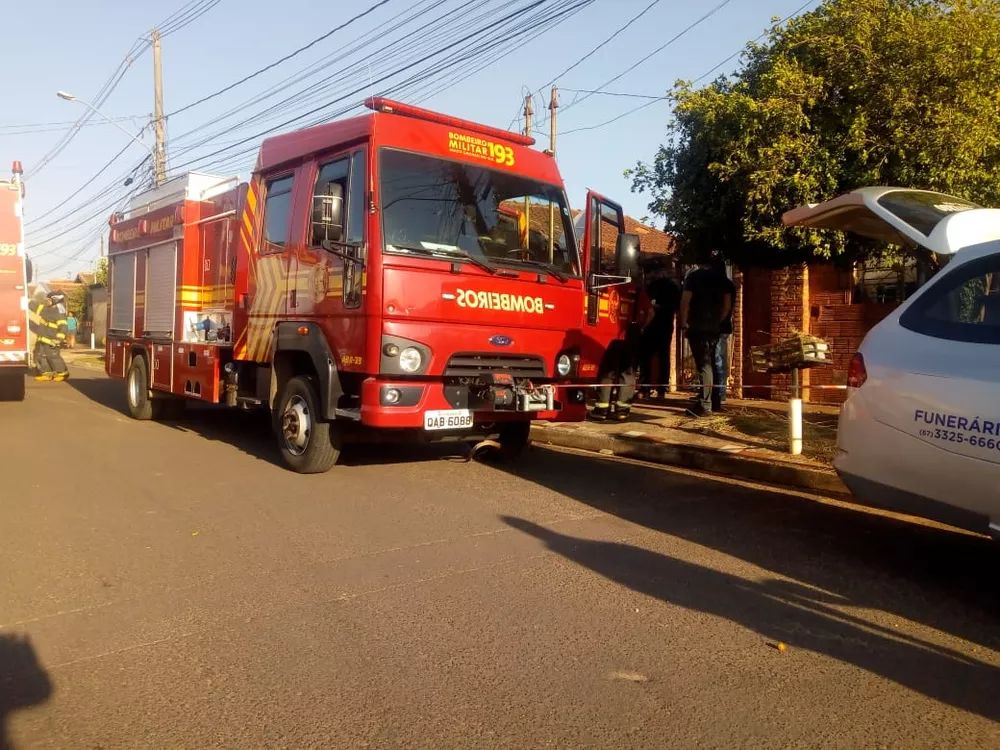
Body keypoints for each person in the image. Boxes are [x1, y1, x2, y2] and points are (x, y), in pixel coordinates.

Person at [679, 252, 734, 417]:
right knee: (712, 364)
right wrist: (717, 322)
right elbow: (727, 305)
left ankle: (705, 404)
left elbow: (685, 301)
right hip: (714, 328)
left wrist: (684, 323)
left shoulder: (694, 277)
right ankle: (713, 400)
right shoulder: (724, 281)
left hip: (697, 326)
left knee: (704, 365)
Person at [592, 280, 654, 422]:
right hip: (632, 335)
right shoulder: (638, 291)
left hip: (610, 336)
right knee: (628, 373)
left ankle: (602, 409)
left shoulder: (608, 286)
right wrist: (642, 326)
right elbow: (651, 312)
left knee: (607, 371)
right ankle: (622, 411)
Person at [639, 258, 680, 400]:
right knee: (658, 356)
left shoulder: (664, 286)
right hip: (661, 324)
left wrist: (658, 307)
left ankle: (651, 388)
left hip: (658, 324)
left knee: (652, 356)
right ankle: (654, 388)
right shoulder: (655, 286)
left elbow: (674, 306)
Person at [29, 291, 70, 382]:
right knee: (41, 356)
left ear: (55, 300)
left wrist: (58, 339)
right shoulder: (48, 309)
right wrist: (27, 300)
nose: (47, 301)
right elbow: (36, 308)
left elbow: (63, 326)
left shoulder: (59, 311)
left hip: (52, 339)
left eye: (49, 299)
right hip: (44, 337)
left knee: (53, 356)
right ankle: (47, 374)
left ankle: (62, 373)